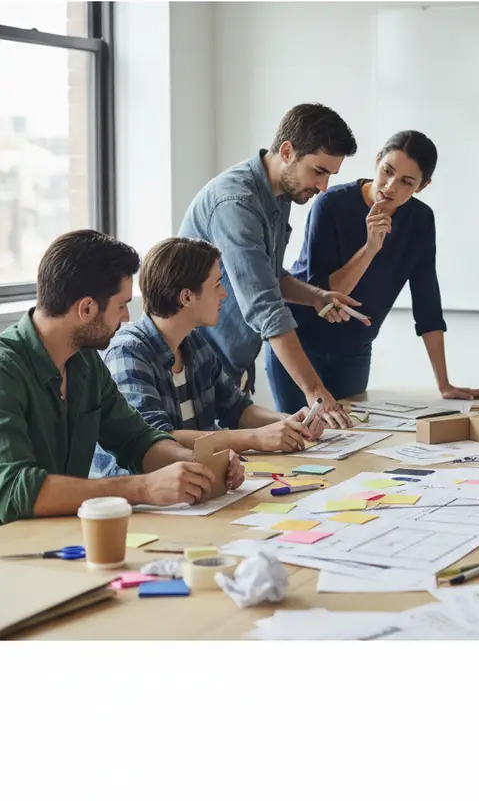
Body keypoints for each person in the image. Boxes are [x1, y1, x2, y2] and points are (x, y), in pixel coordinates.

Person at [0, 230, 243, 525]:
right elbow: (14, 488)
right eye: (121, 305)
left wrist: (195, 464)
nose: (127, 317)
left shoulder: (86, 361)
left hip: (65, 534)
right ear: (86, 308)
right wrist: (143, 488)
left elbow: (137, 439)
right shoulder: (6, 370)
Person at [264, 130, 479, 412]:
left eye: (407, 182)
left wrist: (444, 384)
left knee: (351, 433)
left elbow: (427, 303)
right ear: (377, 160)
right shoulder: (331, 204)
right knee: (297, 432)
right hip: (300, 340)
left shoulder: (420, 220)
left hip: (355, 349)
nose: (391, 186)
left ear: (422, 186)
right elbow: (326, 298)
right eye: (387, 171)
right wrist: (371, 248)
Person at [178, 103, 370, 429]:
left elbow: (271, 276)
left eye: (330, 175)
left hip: (229, 367)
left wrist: (317, 297)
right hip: (195, 365)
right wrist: (316, 392)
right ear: (287, 151)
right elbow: (264, 305)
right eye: (319, 171)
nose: (324, 186)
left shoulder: (280, 194)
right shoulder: (236, 202)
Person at [93, 238, 326, 478]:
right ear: (186, 297)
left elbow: (237, 409)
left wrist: (289, 422)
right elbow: (155, 441)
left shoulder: (194, 342)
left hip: (198, 482)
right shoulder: (128, 352)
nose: (224, 294)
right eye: (216, 285)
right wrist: (255, 438)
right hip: (139, 491)